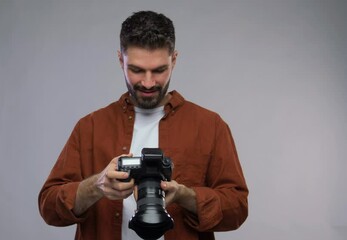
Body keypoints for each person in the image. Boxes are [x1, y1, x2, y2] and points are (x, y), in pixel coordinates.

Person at [38, 10, 248, 240]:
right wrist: (96, 186)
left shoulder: (209, 126)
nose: (148, 83)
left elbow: (237, 208)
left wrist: (183, 195)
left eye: (159, 70)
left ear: (174, 60)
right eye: (136, 70)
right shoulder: (90, 127)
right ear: (121, 60)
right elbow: (49, 207)